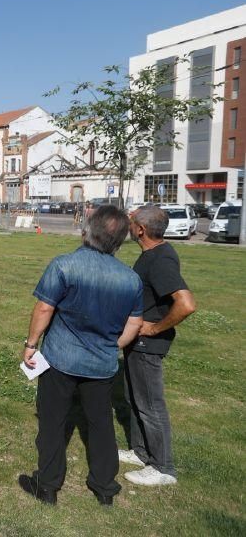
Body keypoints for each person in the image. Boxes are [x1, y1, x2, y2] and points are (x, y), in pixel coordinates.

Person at [19, 205, 144, 506]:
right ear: (119, 241)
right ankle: (104, 487)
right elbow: (135, 323)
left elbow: (45, 307)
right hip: (101, 365)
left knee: (52, 421)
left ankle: (47, 485)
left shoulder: (64, 265)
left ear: (88, 230)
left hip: (60, 359)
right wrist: (113, 346)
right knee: (101, 423)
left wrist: (31, 344)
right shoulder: (130, 279)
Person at [120, 206, 196, 486]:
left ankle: (163, 468)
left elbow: (186, 304)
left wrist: (153, 328)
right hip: (136, 341)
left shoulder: (160, 259)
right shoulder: (151, 254)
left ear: (140, 229)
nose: (129, 225)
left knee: (150, 404)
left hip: (147, 344)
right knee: (134, 398)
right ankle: (141, 452)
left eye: (131, 221)